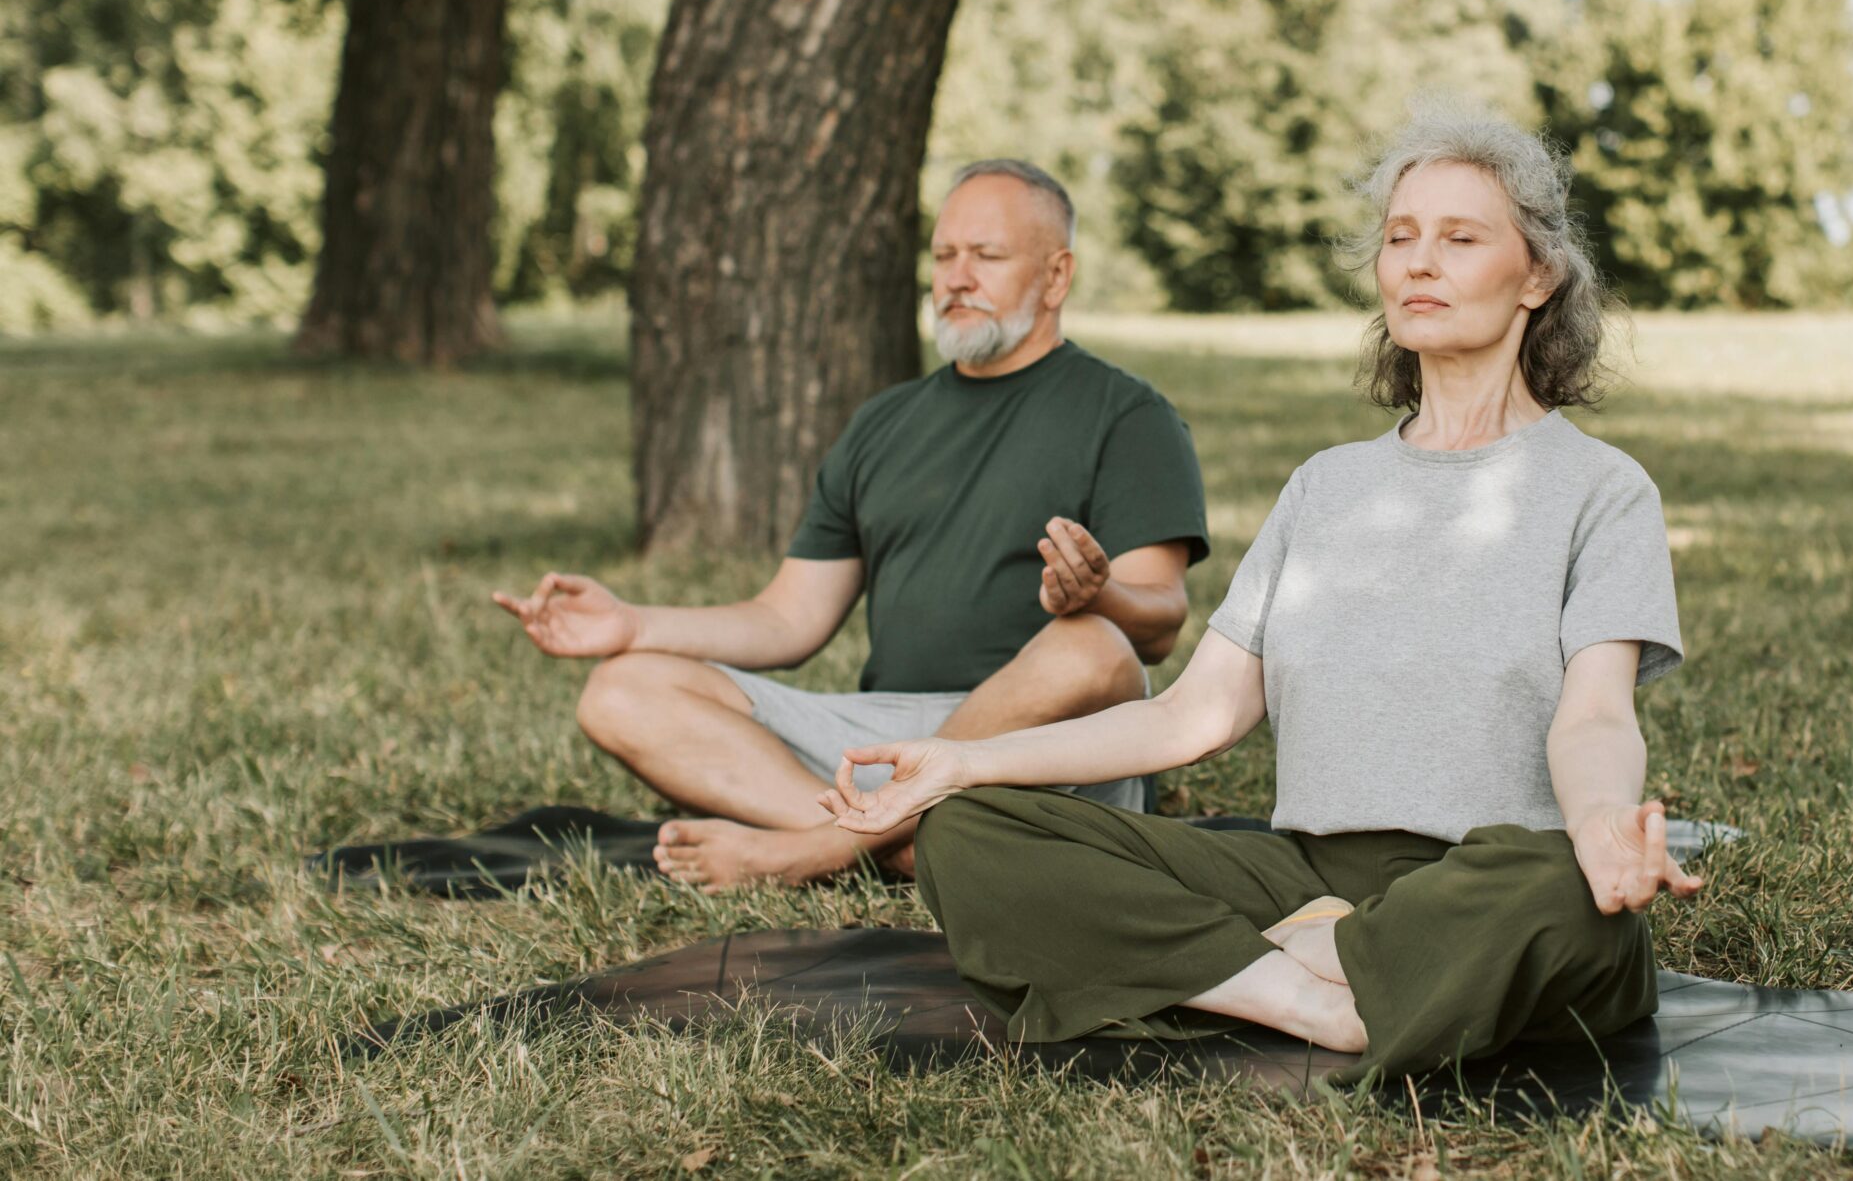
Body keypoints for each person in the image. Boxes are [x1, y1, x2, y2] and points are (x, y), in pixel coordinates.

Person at [820, 105, 1700, 1081]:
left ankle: (1256, 966)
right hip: (1308, 878)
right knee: (972, 829)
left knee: (1566, 899)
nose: (1418, 262)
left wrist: (1601, 825)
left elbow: (1593, 720)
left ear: (1537, 274)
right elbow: (1190, 717)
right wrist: (959, 762)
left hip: (1489, 877)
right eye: (1399, 238)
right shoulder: (1325, 486)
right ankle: (1306, 996)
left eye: (1459, 239)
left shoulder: (1601, 490)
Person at [489, 159, 1210, 890]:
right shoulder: (885, 422)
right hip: (887, 738)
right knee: (621, 690)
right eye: (943, 255)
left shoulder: (1129, 416)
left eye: (987, 256)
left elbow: (1155, 627)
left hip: (1040, 744)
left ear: (1056, 276)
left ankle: (813, 852)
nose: (956, 278)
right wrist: (631, 625)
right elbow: (788, 618)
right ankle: (894, 848)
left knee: (1093, 647)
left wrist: (1101, 595)